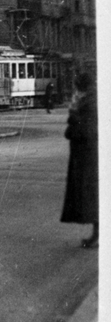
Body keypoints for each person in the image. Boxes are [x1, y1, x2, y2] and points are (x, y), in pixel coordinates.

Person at [61, 71, 98, 248]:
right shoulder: (89, 100)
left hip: (89, 156)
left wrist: (74, 116)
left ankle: (98, 234)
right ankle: (97, 233)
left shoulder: (90, 102)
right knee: (93, 195)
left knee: (93, 195)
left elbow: (86, 131)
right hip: (87, 155)